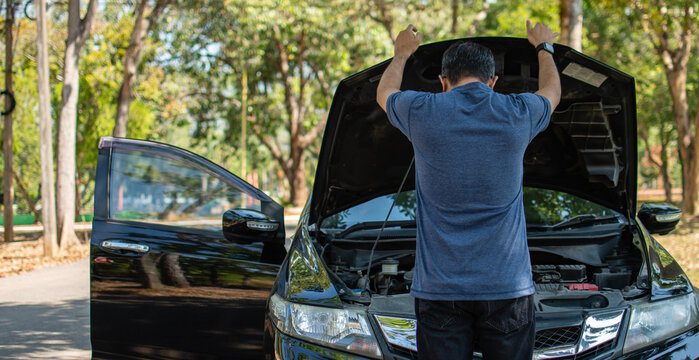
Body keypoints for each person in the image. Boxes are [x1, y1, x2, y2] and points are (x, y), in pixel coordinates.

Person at [375, 21, 561, 360]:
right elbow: (552, 93)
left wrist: (401, 54)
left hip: (440, 291)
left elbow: (383, 93)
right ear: (493, 82)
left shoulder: (422, 111)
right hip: (508, 290)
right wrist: (543, 48)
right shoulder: (518, 112)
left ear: (443, 82)